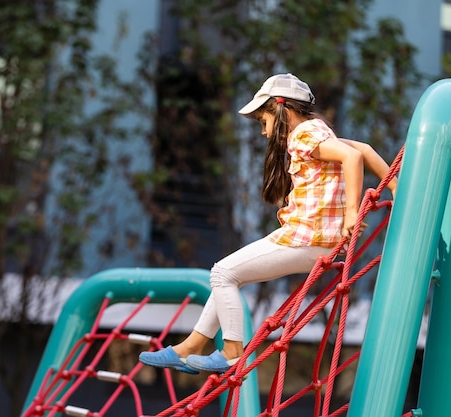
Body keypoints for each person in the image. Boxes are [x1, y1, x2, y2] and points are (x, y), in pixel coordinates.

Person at [139, 73, 397, 374]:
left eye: (264, 121)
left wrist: (352, 213)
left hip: (306, 238)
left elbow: (352, 158)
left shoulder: (302, 134)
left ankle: (232, 352)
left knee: (222, 273)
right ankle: (191, 347)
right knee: (228, 276)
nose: (263, 131)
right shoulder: (317, 132)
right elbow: (363, 149)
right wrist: (394, 185)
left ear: (280, 108)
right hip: (306, 238)